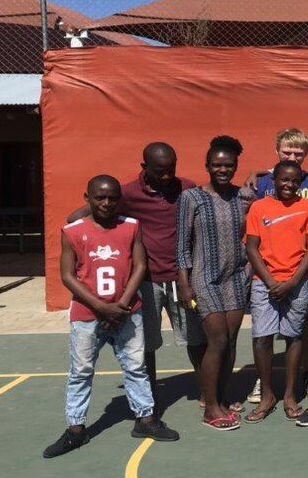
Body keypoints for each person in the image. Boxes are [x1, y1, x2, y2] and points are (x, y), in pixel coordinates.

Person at [44, 175, 179, 458]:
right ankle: (75, 428)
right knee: (80, 371)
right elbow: (67, 276)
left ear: (120, 199)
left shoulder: (130, 227)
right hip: (87, 312)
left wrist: (122, 303)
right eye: (100, 197)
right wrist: (100, 306)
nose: (107, 203)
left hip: (127, 311)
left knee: (136, 367)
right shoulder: (73, 230)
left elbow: (140, 266)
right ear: (87, 198)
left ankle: (145, 419)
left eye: (113, 198)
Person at [66, 143, 204, 406]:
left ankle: (206, 392)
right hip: (146, 281)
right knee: (146, 344)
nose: (167, 176)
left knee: (195, 339)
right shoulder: (127, 193)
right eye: (160, 171)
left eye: (171, 169)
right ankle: (148, 395)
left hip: (180, 278)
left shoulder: (187, 188)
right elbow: (74, 218)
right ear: (145, 168)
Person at [176, 136, 255, 431]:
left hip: (236, 275)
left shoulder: (244, 197)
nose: (223, 169)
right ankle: (210, 408)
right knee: (217, 340)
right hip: (204, 277)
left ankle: (221, 398)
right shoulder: (191, 198)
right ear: (207, 166)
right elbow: (182, 245)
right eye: (218, 164)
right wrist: (184, 283)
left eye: (229, 165)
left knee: (231, 341)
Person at [247, 128, 308, 405]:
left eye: (298, 153)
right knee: (263, 336)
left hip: (299, 277)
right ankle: (266, 387)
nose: (293, 156)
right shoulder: (260, 195)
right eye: (287, 152)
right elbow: (251, 245)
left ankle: (298, 385)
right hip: (266, 279)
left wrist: (294, 280)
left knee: (298, 332)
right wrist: (269, 281)